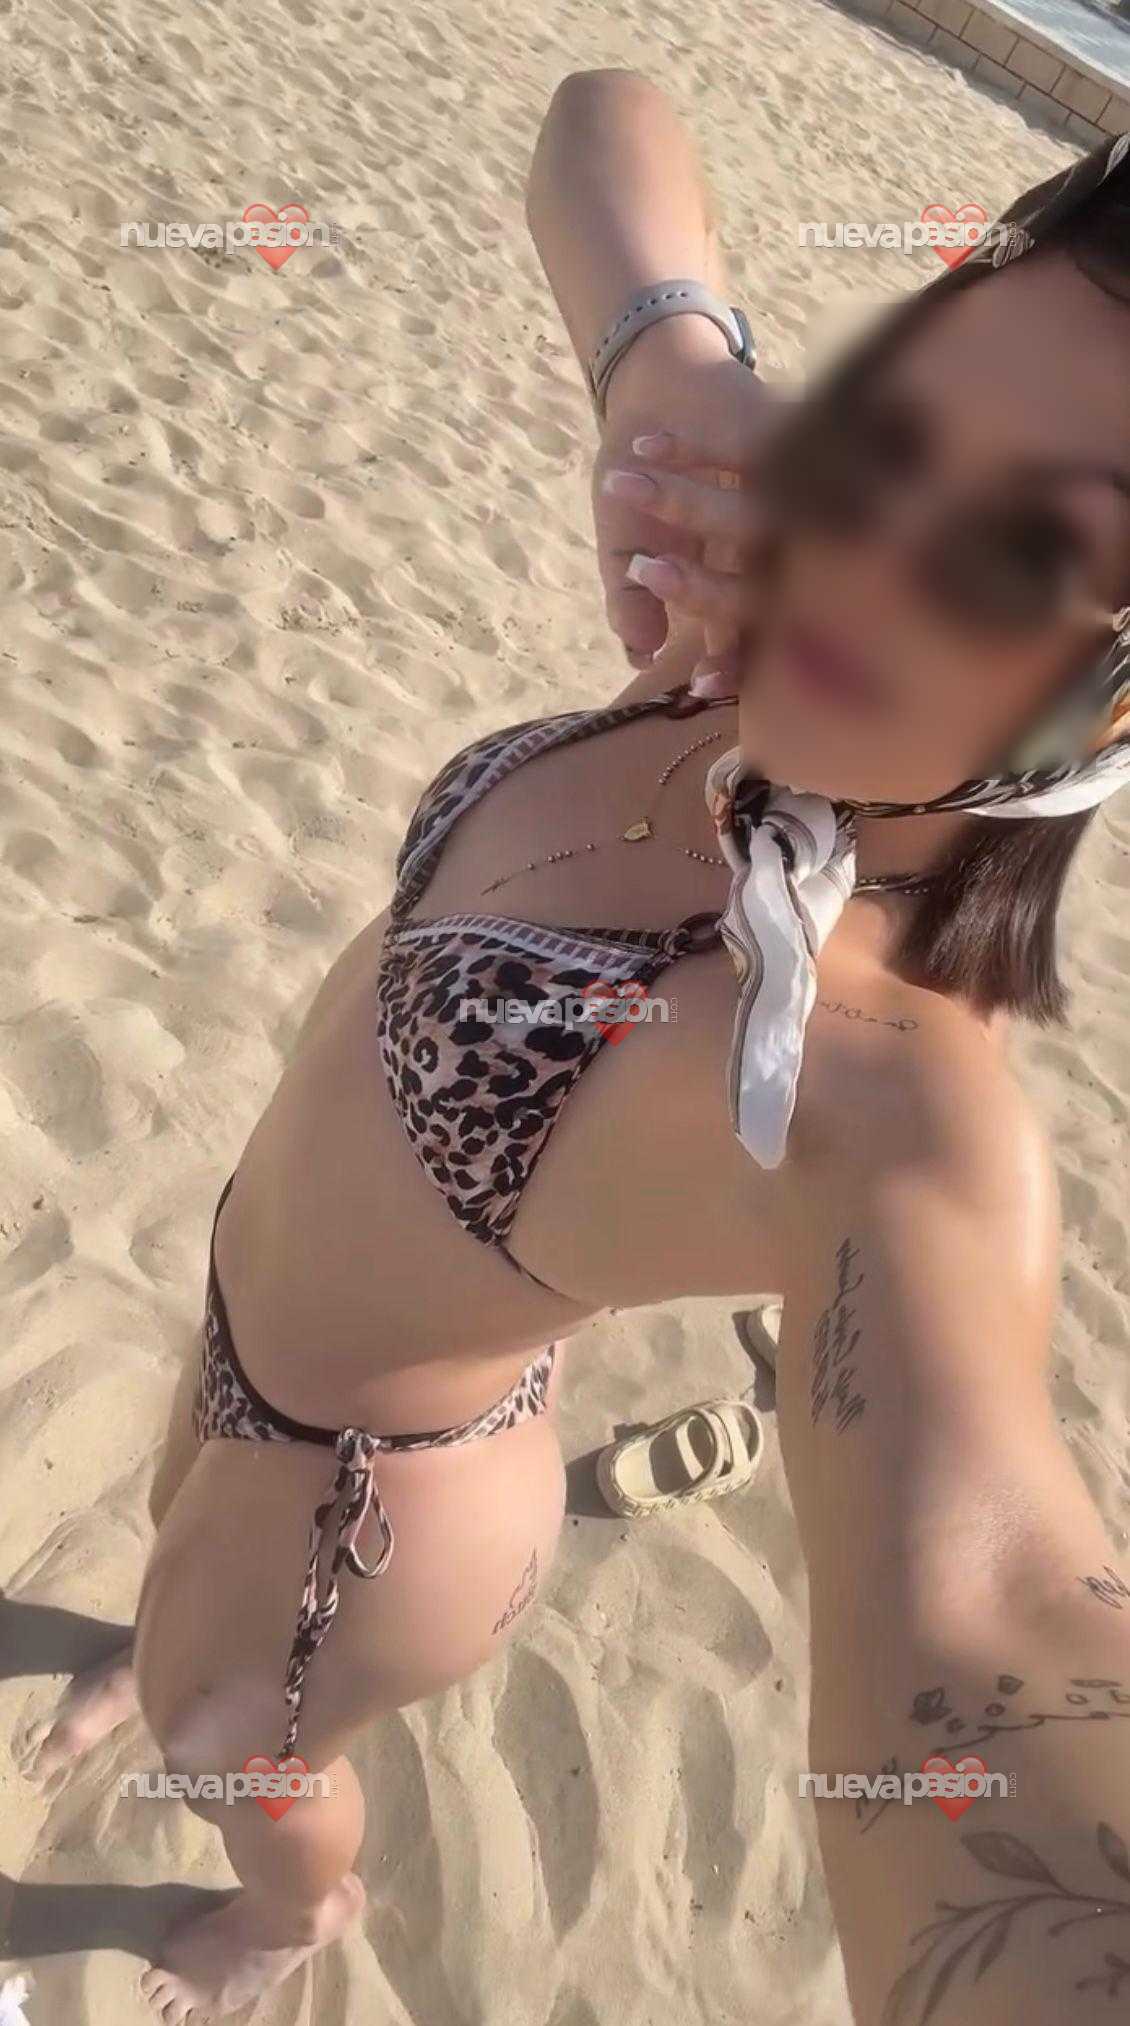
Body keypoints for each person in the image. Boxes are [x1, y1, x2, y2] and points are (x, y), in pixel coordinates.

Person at [20, 71, 1130, 2026]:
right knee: (179, 1583)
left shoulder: (881, 1095)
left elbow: (992, 1600)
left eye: (1007, 557)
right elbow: (599, 122)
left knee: (232, 1747)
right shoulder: (754, 661)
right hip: (251, 1318)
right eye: (890, 429)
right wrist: (669, 367)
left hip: (370, 1508)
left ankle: (287, 1918)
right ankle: (168, 1635)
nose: (857, 544)